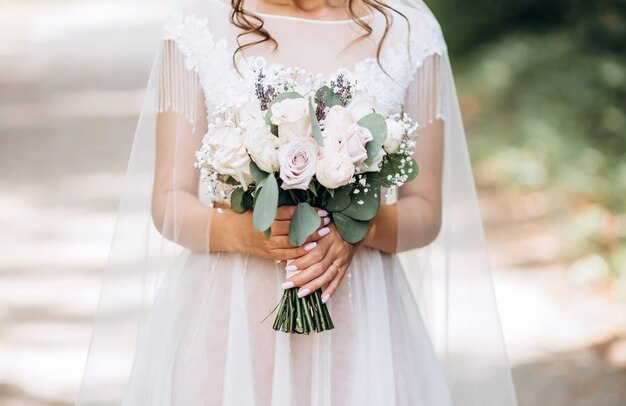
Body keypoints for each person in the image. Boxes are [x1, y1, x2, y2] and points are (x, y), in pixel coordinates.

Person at [77, 0, 518, 404]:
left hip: (362, 326)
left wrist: (358, 228)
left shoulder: (409, 31)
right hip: (232, 326)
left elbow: (425, 210)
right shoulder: (197, 26)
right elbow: (168, 202)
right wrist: (246, 233)